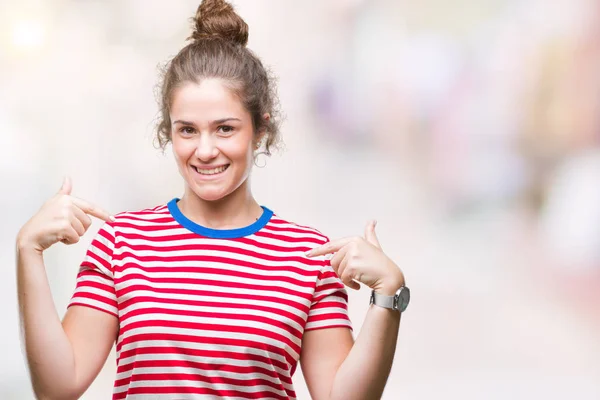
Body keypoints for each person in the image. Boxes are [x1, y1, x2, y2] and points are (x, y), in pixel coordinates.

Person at [15, 1, 408, 399]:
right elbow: (56, 389)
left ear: (259, 130)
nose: (204, 150)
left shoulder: (307, 255)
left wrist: (389, 295)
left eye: (225, 129)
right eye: (187, 130)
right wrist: (28, 249)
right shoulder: (122, 242)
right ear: (168, 132)